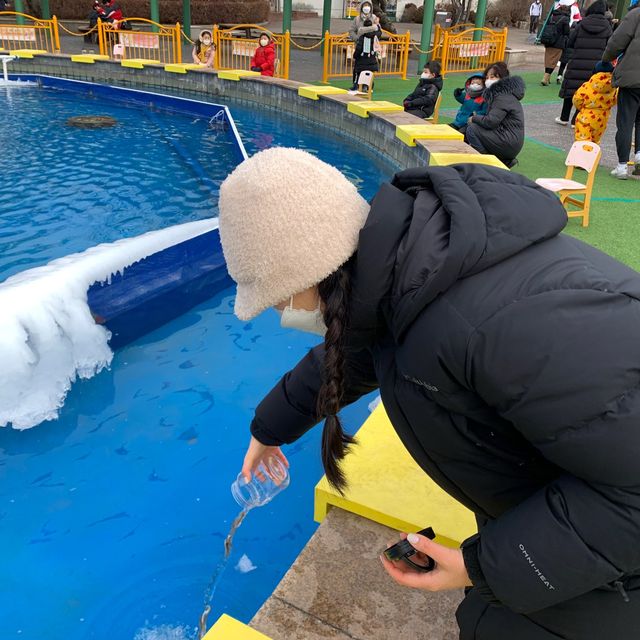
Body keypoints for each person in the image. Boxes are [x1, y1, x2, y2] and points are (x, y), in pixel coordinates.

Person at [218, 146, 640, 640]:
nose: (278, 314)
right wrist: (269, 429)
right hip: (573, 519)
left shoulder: (493, 322)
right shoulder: (410, 279)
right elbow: (351, 357)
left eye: (276, 299)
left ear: (310, 273)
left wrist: (482, 567)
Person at [556, 0, 612, 125]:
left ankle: (564, 117)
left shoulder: (581, 24)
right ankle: (576, 120)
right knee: (587, 91)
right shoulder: (607, 27)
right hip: (595, 65)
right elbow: (610, 46)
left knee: (570, 89)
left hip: (577, 61)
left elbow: (570, 42)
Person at [602, 0, 640, 179]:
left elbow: (617, 41)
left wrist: (607, 58)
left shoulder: (635, 14)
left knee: (626, 121)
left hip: (632, 78)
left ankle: (622, 165)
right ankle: (639, 157)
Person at [465, 62, 525, 168]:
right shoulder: (505, 94)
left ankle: (489, 164)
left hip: (508, 142)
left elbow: (491, 122)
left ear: (502, 78)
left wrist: (474, 118)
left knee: (472, 129)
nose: (488, 80)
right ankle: (501, 160)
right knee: (475, 128)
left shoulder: (501, 97)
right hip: (510, 140)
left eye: (492, 77)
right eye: (487, 77)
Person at [572, 61, 617, 143]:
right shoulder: (613, 87)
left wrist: (582, 108)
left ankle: (582, 155)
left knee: (582, 140)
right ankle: (592, 154)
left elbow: (577, 99)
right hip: (602, 119)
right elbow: (615, 100)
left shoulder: (587, 85)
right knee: (595, 141)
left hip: (586, 117)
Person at [349, 1, 382, 91]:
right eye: (365, 5)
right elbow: (351, 31)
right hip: (360, 46)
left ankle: (368, 85)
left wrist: (374, 37)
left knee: (368, 68)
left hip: (370, 47)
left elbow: (379, 32)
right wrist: (357, 38)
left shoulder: (374, 18)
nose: (366, 7)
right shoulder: (357, 19)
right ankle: (357, 84)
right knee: (358, 67)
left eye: (368, 5)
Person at [540, 4, 570, 86]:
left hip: (548, 41)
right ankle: (545, 78)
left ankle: (547, 77)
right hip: (558, 43)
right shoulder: (565, 19)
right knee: (554, 61)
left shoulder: (552, 16)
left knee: (548, 60)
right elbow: (566, 32)